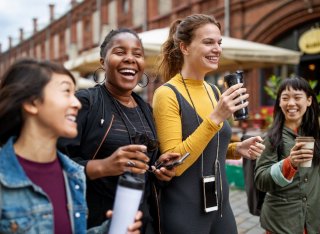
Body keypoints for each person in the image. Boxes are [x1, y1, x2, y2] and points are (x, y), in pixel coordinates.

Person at [152, 14, 265, 234]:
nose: (217, 49)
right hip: (184, 212)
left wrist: (234, 149)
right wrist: (215, 118)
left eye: (219, 42)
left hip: (221, 208)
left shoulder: (213, 91)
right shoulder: (167, 94)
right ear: (184, 47)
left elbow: (209, 147)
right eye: (208, 42)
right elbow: (174, 164)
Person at [0, 59, 142, 234]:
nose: (76, 103)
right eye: (66, 92)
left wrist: (109, 230)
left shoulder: (73, 175)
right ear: (32, 103)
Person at [58, 28, 179, 233]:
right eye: (120, 52)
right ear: (102, 61)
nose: (130, 59)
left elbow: (148, 170)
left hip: (144, 222)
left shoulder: (146, 110)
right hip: (98, 222)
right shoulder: (85, 103)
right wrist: (104, 166)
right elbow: (56, 163)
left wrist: (160, 172)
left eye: (137, 54)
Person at [254, 76, 320, 233]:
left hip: (313, 220)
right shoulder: (271, 138)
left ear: (309, 101)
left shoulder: (316, 134)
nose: (291, 103)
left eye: (297, 97)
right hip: (281, 223)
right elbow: (260, 180)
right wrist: (289, 163)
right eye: (285, 98)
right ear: (279, 103)